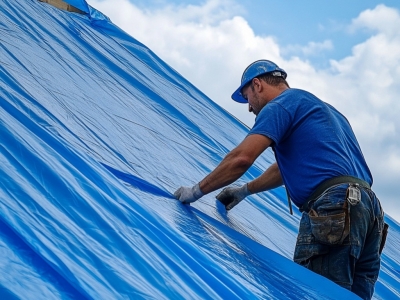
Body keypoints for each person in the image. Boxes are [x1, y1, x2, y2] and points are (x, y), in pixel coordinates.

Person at [174, 59, 387, 299]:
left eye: (247, 97)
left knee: (315, 294)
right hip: (370, 214)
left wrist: (195, 192)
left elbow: (241, 159)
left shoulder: (279, 106)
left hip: (335, 207)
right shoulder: (326, 111)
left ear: (257, 85)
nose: (249, 108)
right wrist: (244, 191)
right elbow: (283, 170)